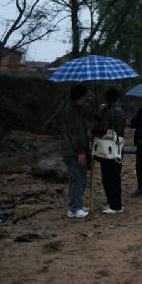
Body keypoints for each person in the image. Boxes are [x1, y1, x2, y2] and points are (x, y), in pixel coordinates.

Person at [92, 89, 125, 213]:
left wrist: (94, 128)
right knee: (115, 175)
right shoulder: (121, 111)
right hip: (119, 146)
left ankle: (114, 205)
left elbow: (102, 129)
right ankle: (116, 203)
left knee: (108, 176)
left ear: (106, 100)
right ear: (118, 99)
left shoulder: (107, 111)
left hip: (108, 148)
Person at [60, 84, 91, 218]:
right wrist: (80, 151)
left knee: (76, 179)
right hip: (73, 152)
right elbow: (73, 133)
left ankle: (75, 205)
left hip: (73, 150)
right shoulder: (71, 112)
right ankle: (74, 208)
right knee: (78, 179)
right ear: (82, 97)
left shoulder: (75, 110)